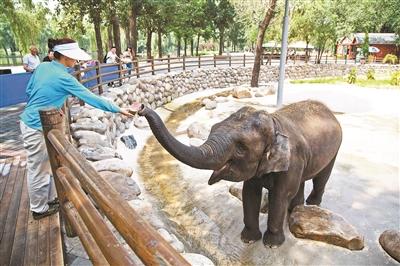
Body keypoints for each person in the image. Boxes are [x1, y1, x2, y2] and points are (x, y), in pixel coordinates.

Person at [20, 38, 134, 220]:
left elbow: (29, 90)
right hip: (36, 127)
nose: (77, 61)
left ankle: (46, 200)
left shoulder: (43, 67)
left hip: (29, 120)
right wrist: (119, 109)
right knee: (38, 167)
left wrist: (51, 104)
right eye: (74, 58)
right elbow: (91, 98)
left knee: (44, 165)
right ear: (65, 57)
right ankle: (39, 208)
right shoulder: (64, 78)